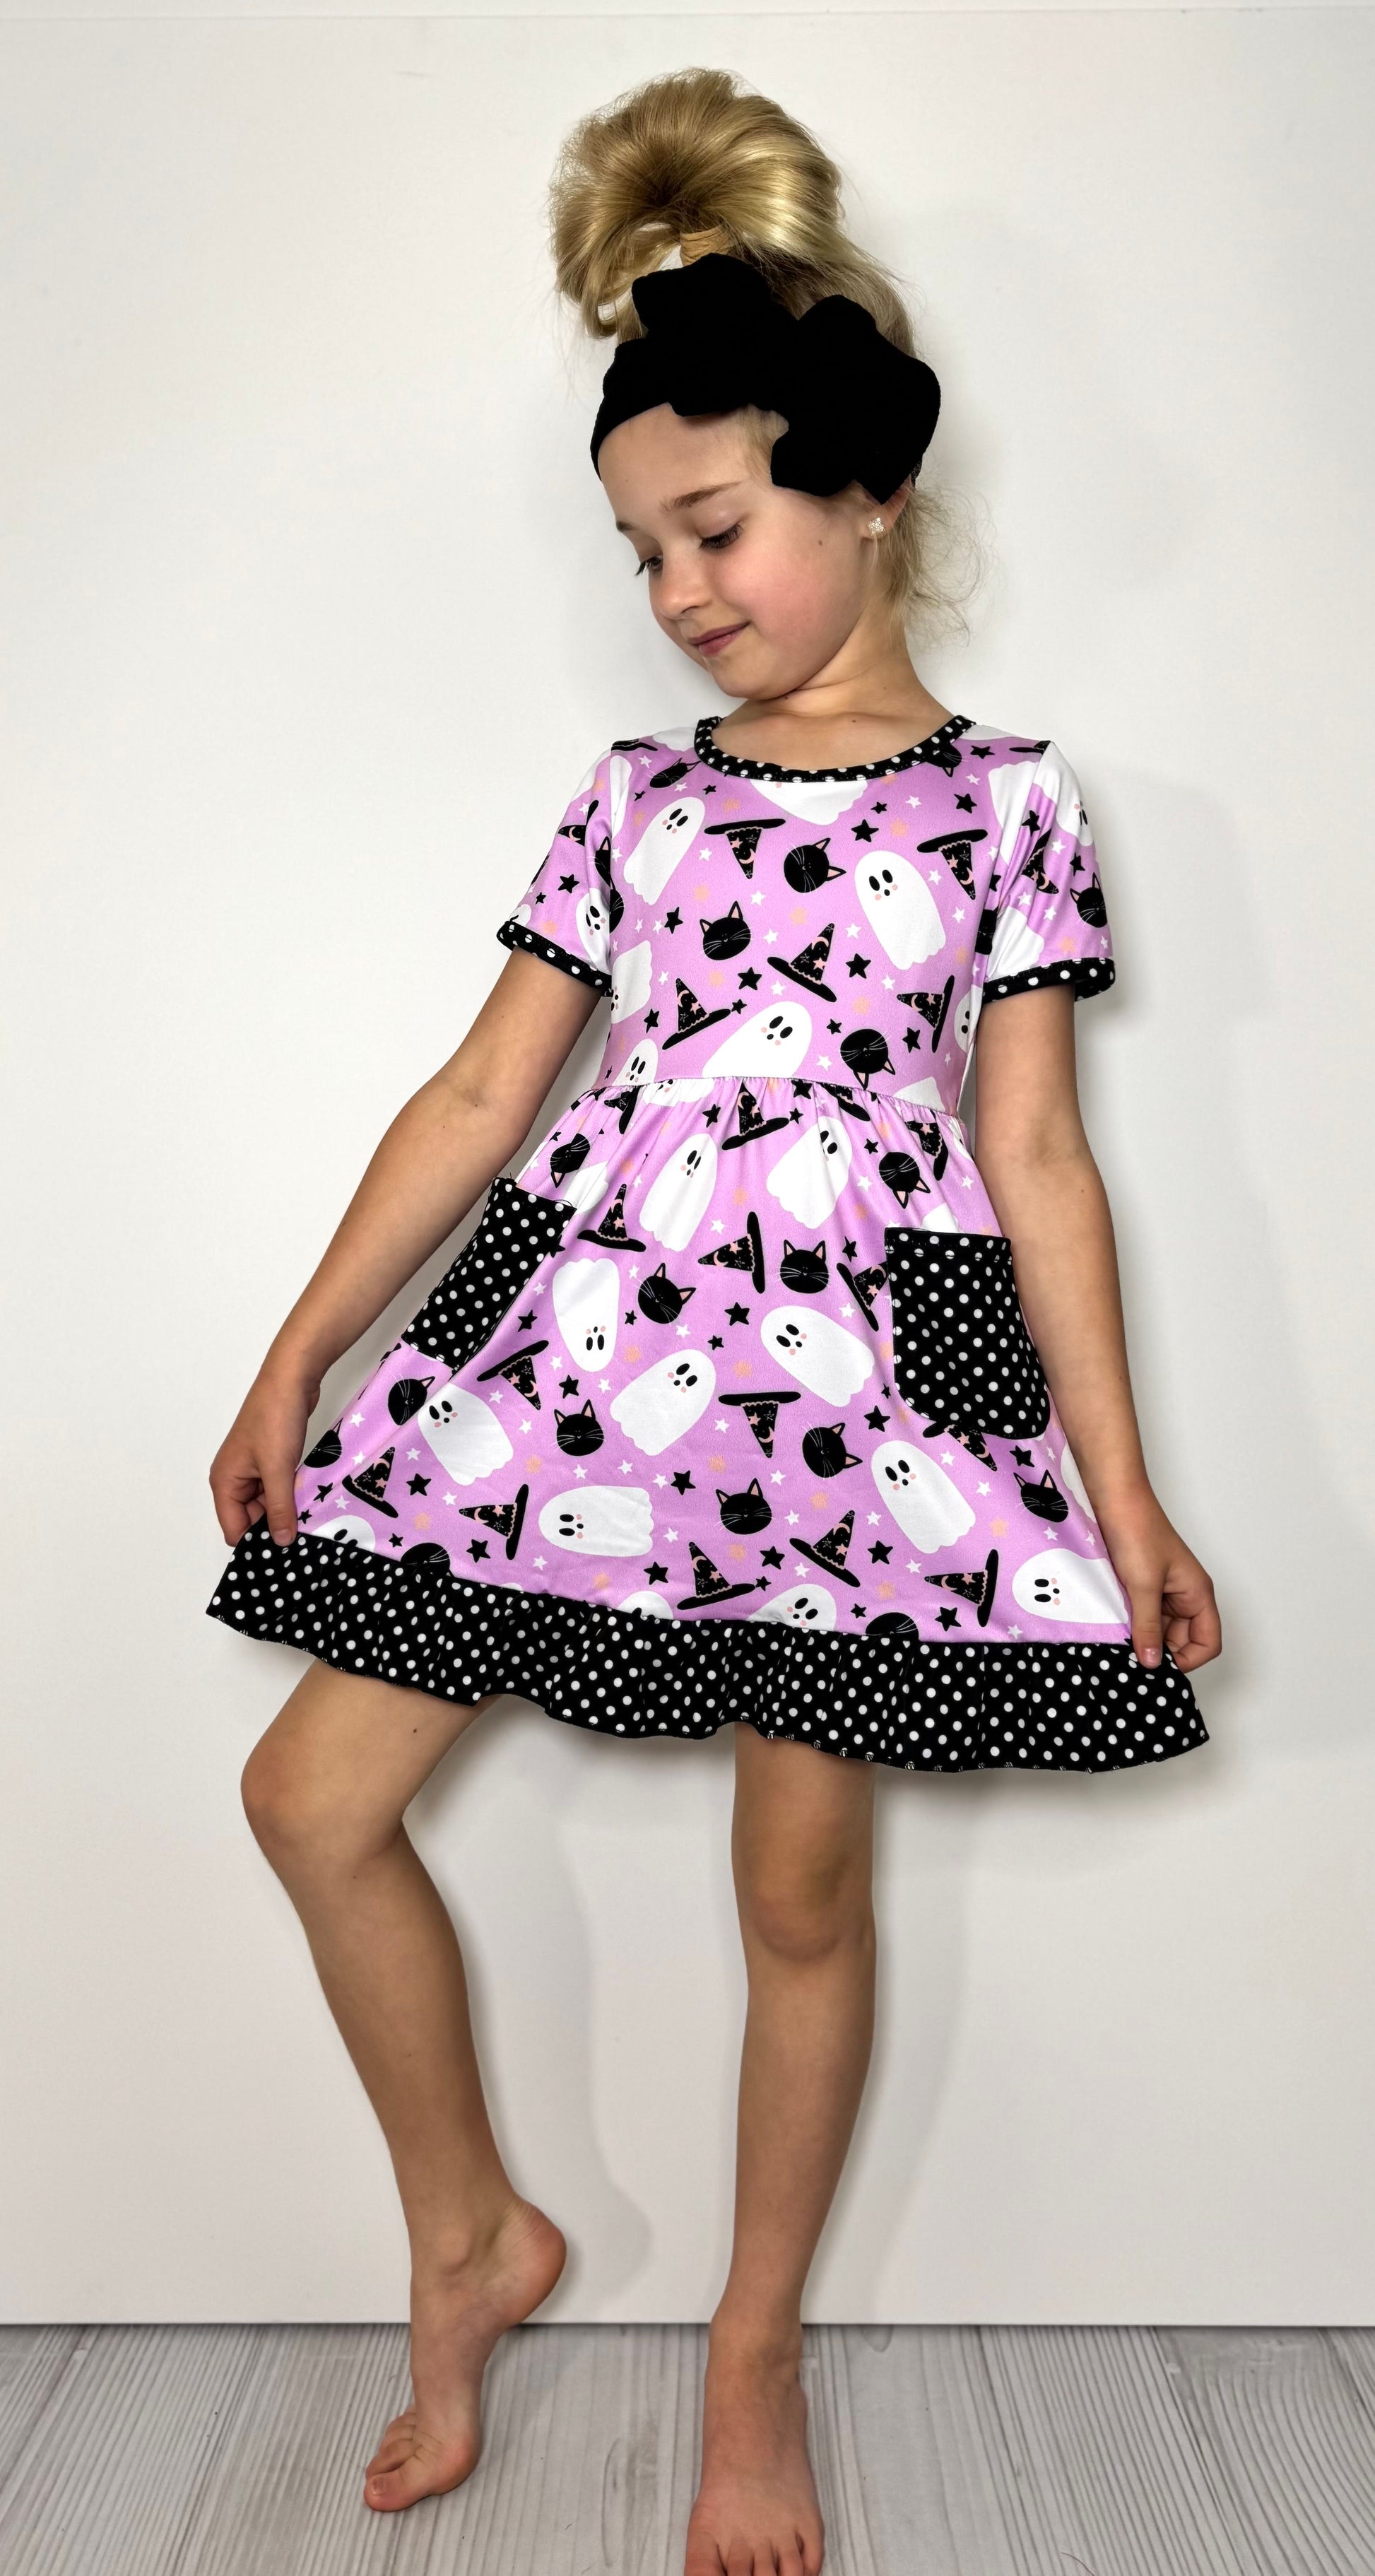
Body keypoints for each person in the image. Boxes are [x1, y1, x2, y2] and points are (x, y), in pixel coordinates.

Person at [206, 64, 1222, 2576]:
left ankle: (747, 2356)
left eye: (715, 525)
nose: (680, 590)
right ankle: (472, 2236)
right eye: (646, 549)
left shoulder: (1010, 805)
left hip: (866, 1406)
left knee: (797, 1892)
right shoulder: (637, 803)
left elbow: (1040, 1161)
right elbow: (478, 1094)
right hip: (580, 1380)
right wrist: (299, 1350)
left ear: (861, 483)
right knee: (312, 1801)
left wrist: (1122, 1492)